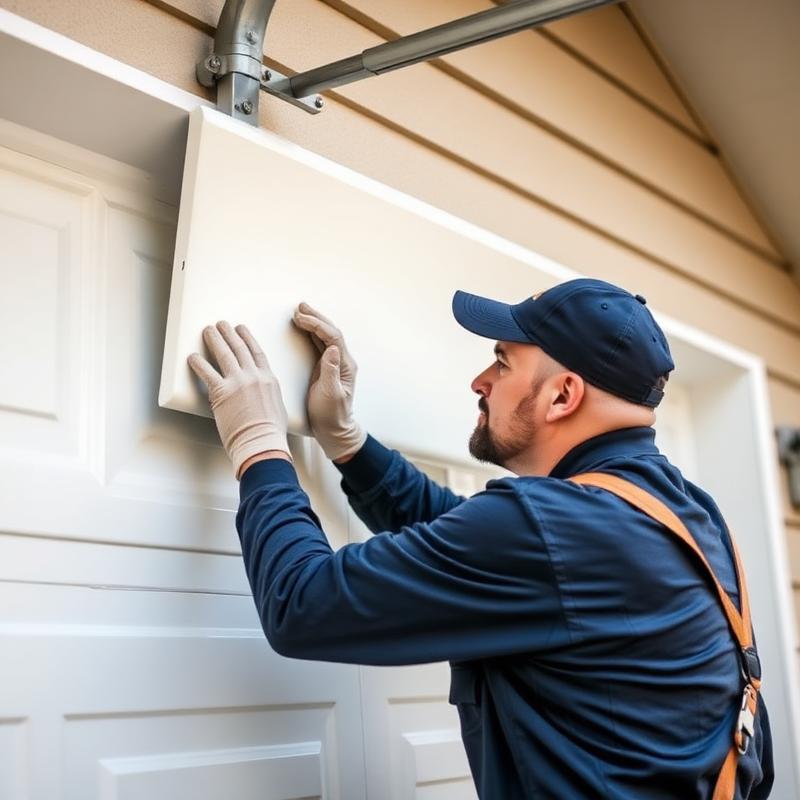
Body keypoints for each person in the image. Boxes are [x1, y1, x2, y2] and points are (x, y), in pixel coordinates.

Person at [187, 277, 773, 799]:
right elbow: (473, 545)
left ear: (562, 395)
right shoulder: (689, 515)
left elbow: (304, 603)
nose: (480, 380)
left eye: (502, 362)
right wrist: (347, 441)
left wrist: (260, 446)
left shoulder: (553, 528)